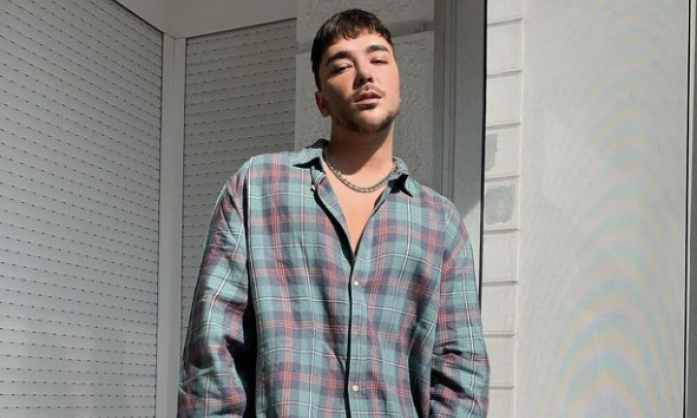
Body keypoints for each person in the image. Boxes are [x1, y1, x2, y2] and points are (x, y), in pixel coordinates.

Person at [178, 9, 489, 417]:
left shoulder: (440, 222)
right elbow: (212, 352)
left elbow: (461, 373)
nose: (364, 74)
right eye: (342, 66)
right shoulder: (259, 187)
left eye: (378, 59)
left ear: (399, 84)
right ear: (321, 101)